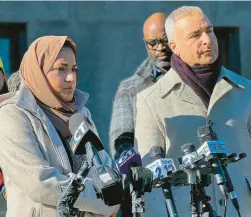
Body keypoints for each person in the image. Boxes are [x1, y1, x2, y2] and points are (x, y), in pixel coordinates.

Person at [135, 6, 251, 217]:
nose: (207, 39)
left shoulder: (246, 91)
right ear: (174, 47)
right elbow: (150, 180)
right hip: (185, 210)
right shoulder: (150, 101)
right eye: (195, 35)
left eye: (210, 30)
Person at [0, 36, 119, 217]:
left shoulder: (81, 113)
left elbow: (105, 168)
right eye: (61, 69)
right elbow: (40, 183)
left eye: (74, 69)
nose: (70, 78)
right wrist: (101, 197)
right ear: (38, 71)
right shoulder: (13, 115)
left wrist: (112, 191)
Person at [109, 12, 172, 159]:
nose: (160, 47)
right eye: (153, 42)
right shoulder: (129, 89)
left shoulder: (195, 78)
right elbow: (122, 144)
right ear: (145, 44)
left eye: (165, 40)